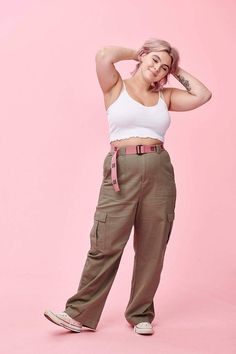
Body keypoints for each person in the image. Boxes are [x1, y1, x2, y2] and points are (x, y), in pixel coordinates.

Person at [44, 37, 212, 335]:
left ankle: (140, 313)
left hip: (159, 170)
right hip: (121, 170)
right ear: (143, 56)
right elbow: (104, 54)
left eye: (164, 67)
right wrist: (144, 54)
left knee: (153, 245)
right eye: (154, 60)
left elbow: (202, 95)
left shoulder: (166, 96)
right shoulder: (115, 86)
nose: (158, 68)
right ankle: (78, 313)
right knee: (105, 242)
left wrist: (175, 68)